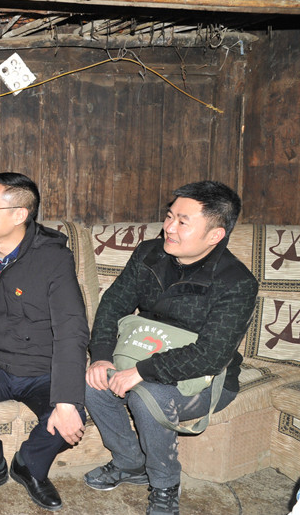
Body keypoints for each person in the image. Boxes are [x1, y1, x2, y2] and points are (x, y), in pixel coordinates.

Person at [84, 180, 258, 515]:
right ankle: (129, 462)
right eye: (169, 216)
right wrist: (102, 356)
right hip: (145, 352)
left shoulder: (236, 282)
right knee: (92, 383)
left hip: (205, 380)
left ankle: (165, 485)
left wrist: (142, 372)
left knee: (149, 396)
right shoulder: (149, 254)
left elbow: (212, 355)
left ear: (215, 235)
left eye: (182, 222)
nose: (169, 227)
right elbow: (113, 305)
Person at [0, 172, 90, 511]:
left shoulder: (54, 258)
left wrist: (66, 400)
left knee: (71, 417)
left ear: (19, 215)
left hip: (43, 368)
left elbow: (72, 328)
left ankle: (29, 466)